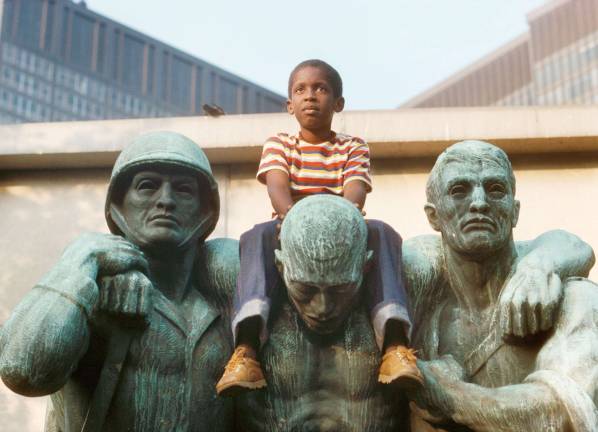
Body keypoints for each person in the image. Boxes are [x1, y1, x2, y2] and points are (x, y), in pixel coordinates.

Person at [0, 132, 239, 432]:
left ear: (206, 211)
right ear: (118, 206)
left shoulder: (226, 307)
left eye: (183, 190)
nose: (165, 200)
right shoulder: (90, 294)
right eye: (147, 186)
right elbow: (23, 372)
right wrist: (81, 257)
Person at [216, 59, 418, 396]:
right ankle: (246, 349)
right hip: (288, 224)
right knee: (255, 237)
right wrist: (296, 225)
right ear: (289, 104)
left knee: (383, 233)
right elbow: (277, 188)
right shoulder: (280, 143)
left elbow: (355, 192)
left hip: (345, 226)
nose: (311, 96)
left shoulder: (354, 146)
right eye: (301, 90)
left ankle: (395, 345)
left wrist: (338, 225)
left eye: (321, 88)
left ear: (338, 103)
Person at [403, 140, 598, 431]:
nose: (480, 202)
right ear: (434, 216)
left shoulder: (574, 298)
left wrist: (448, 395)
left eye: (495, 190)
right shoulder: (415, 302)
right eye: (459, 191)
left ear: (515, 211)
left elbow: (565, 413)